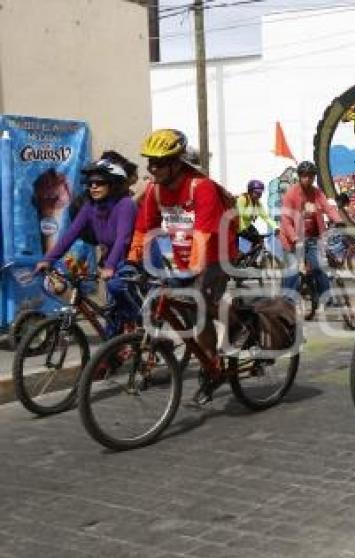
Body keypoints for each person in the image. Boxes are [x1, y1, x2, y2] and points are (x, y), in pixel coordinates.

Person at [127, 129, 237, 404]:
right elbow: (144, 229)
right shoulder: (154, 190)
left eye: (160, 162)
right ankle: (206, 355)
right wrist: (132, 261)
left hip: (216, 256)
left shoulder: (201, 187)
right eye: (150, 162)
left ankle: (232, 330)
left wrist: (192, 269)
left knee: (198, 304)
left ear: (177, 162)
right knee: (179, 306)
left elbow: (203, 233)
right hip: (183, 257)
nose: (153, 168)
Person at [35, 158, 138, 336]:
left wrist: (110, 266)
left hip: (133, 258)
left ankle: (141, 321)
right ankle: (111, 356)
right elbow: (71, 233)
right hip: (112, 259)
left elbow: (123, 238)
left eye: (100, 183)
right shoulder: (91, 206)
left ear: (113, 185)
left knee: (116, 287)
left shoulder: (125, 204)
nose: (93, 187)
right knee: (112, 313)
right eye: (90, 183)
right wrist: (48, 259)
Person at [279, 161, 343, 305]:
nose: (307, 179)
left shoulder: (317, 192)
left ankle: (327, 299)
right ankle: (287, 303)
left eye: (310, 176)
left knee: (319, 267)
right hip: (291, 239)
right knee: (293, 270)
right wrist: (294, 238)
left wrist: (338, 220)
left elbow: (328, 208)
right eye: (304, 175)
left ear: (314, 177)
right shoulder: (291, 194)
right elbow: (286, 220)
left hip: (311, 236)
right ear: (299, 176)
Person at [237, 179, 279, 246]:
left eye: (260, 193)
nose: (259, 195)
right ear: (250, 191)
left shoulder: (258, 204)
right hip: (238, 227)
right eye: (256, 193)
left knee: (259, 242)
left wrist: (276, 227)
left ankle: (253, 255)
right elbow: (239, 211)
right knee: (256, 240)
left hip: (247, 226)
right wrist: (251, 214)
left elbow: (266, 217)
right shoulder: (243, 198)